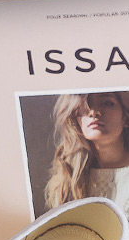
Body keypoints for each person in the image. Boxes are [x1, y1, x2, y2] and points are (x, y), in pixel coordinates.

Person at [45, 90, 129, 220]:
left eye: (107, 103)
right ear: (76, 119)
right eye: (84, 106)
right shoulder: (69, 179)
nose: (93, 112)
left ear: (125, 116)